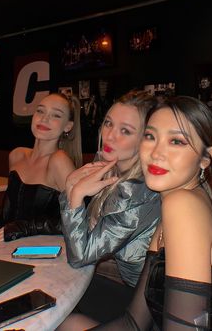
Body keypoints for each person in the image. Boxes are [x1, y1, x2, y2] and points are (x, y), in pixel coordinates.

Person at [64, 95, 212, 331]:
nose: (157, 152)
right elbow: (134, 322)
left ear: (206, 157)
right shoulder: (177, 203)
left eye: (177, 142)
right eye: (151, 137)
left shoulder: (183, 205)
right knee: (68, 323)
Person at [58, 90, 161, 324]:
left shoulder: (137, 190)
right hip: (127, 288)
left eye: (125, 130)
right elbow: (83, 235)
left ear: (145, 139)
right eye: (108, 123)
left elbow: (80, 256)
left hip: (147, 307)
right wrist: (70, 189)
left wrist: (74, 195)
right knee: (54, 295)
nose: (110, 136)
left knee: (59, 308)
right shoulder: (109, 165)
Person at [0, 92, 83, 242]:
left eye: (56, 115)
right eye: (40, 111)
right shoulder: (17, 155)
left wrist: (27, 227)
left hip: (39, 253)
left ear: (68, 126)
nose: (44, 118)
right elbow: (9, 214)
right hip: (4, 248)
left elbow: (78, 222)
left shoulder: (59, 161)